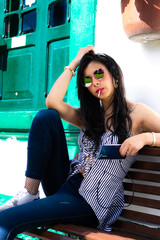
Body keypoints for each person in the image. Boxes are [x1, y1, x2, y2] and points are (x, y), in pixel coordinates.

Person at [0, 45, 160, 239]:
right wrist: (74, 63)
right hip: (68, 184)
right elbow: (53, 102)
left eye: (99, 74)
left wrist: (146, 137)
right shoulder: (90, 116)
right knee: (46, 116)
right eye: (88, 79)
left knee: (5, 220)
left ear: (115, 76)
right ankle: (30, 192)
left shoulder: (137, 114)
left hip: (91, 203)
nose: (94, 82)